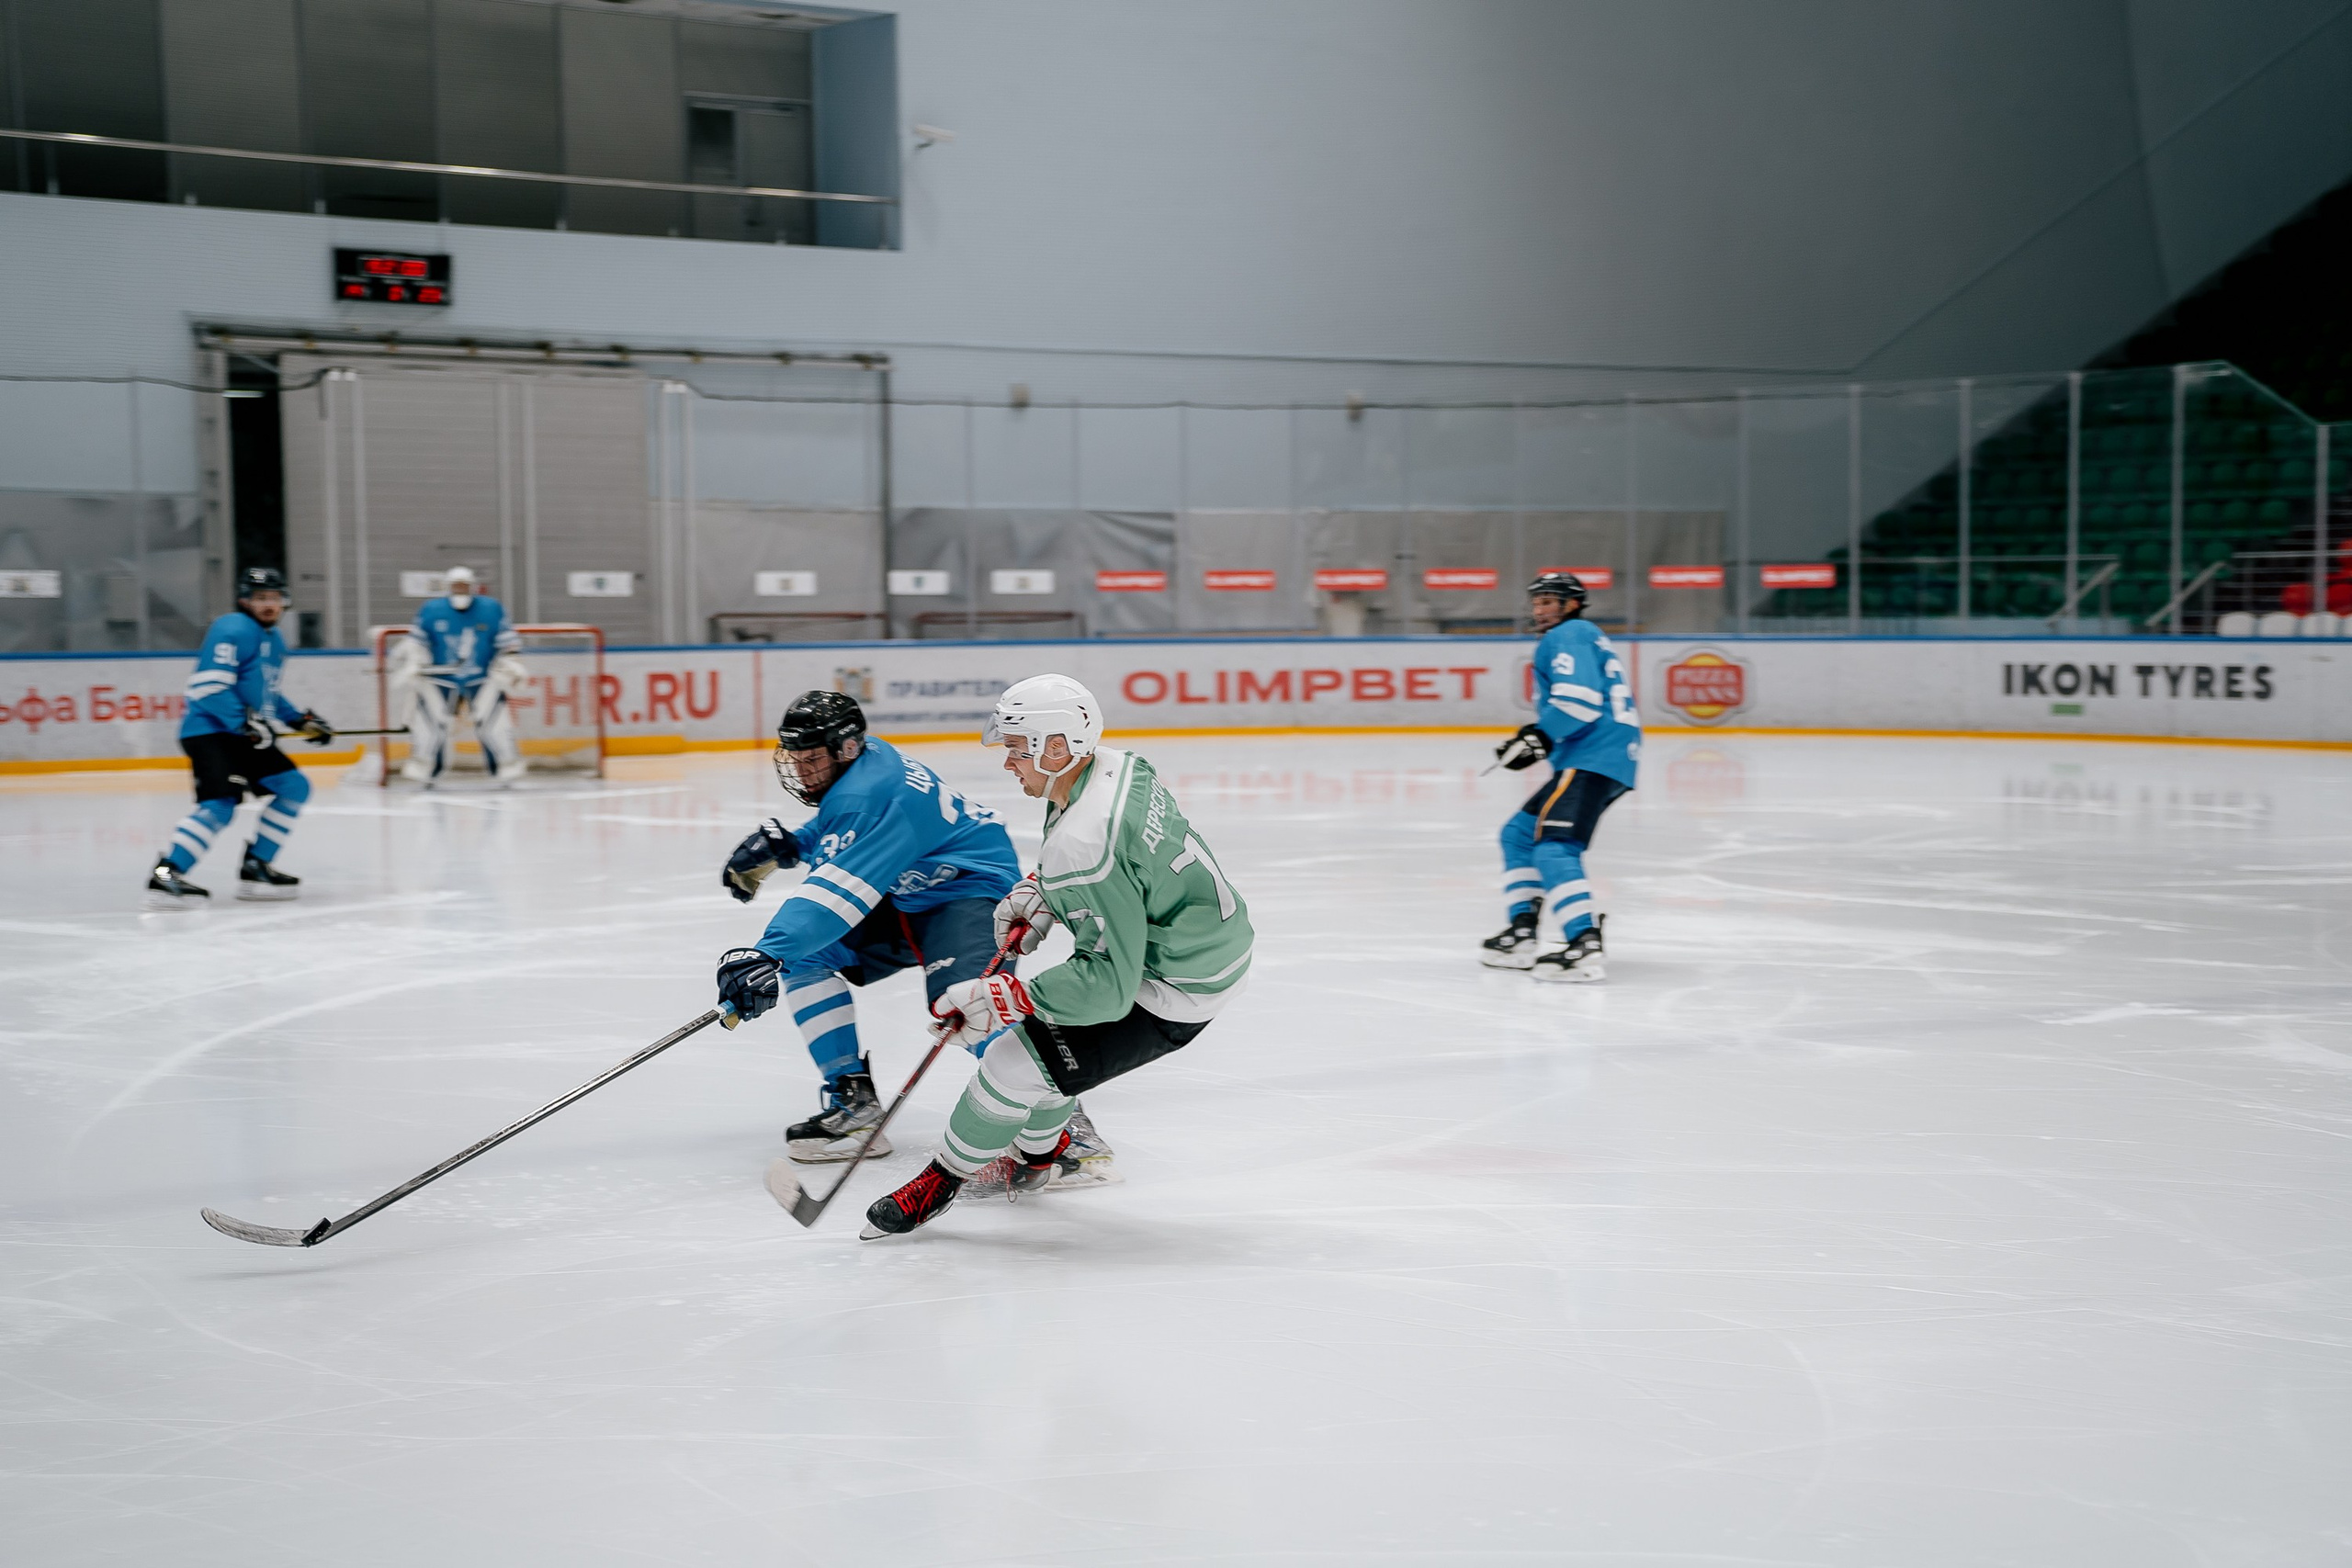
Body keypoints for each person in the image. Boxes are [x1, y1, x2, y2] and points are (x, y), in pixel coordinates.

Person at [859, 673, 1255, 1239]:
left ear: (1058, 746)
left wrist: (1010, 995)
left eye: (1018, 748)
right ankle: (1044, 1158)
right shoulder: (1117, 768)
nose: (1008, 761)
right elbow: (1128, 865)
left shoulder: (1084, 841)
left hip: (1177, 984)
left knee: (1009, 1064)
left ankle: (938, 1184)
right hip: (1207, 949)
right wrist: (1044, 889)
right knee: (1041, 1062)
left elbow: (1111, 985)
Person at [708, 690, 1112, 1183]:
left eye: (811, 759)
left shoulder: (868, 789)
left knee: (970, 1004)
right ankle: (855, 1106)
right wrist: (797, 844)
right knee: (806, 958)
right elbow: (851, 831)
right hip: (911, 891)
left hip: (967, 889)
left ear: (847, 749)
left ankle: (1071, 1132)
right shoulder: (864, 765)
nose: (800, 769)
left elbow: (838, 892)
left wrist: (767, 951)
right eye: (795, 757)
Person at [1481, 571, 1640, 982]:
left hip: (1594, 756)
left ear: (1572, 604)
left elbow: (1581, 702)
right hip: (1597, 755)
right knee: (1517, 835)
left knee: (1554, 848)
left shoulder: (1568, 635)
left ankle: (1583, 943)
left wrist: (1538, 737)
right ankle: (1522, 932)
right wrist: (1537, 739)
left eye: (1549, 601)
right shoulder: (1579, 636)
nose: (1540, 609)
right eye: (1537, 602)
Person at [145, 566, 334, 908]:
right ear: (245, 600)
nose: (268, 605)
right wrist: (244, 722)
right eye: (260, 598)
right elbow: (209, 686)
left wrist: (300, 721)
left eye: (274, 598)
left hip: (244, 735)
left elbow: (266, 694)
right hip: (211, 732)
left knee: (294, 787)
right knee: (220, 804)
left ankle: (256, 865)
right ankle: (167, 873)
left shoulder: (274, 641)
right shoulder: (231, 628)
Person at [390, 566, 526, 786]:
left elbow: (508, 643)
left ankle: (505, 767)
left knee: (496, 726)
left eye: (465, 586)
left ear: (473, 587)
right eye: (456, 586)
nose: (460, 590)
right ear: (447, 587)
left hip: (482, 678)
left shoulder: (492, 609)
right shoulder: (431, 609)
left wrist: (510, 663)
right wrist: (415, 661)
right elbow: (417, 642)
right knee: (429, 727)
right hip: (439, 678)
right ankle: (426, 768)